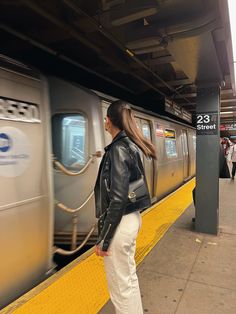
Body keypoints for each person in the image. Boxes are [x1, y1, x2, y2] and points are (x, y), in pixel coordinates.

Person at [94, 100, 156, 314]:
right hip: (131, 219)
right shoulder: (131, 145)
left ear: (109, 121)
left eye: (105, 118)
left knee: (120, 289)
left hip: (120, 223)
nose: (104, 121)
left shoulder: (118, 149)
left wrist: (104, 239)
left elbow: (118, 199)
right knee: (128, 282)